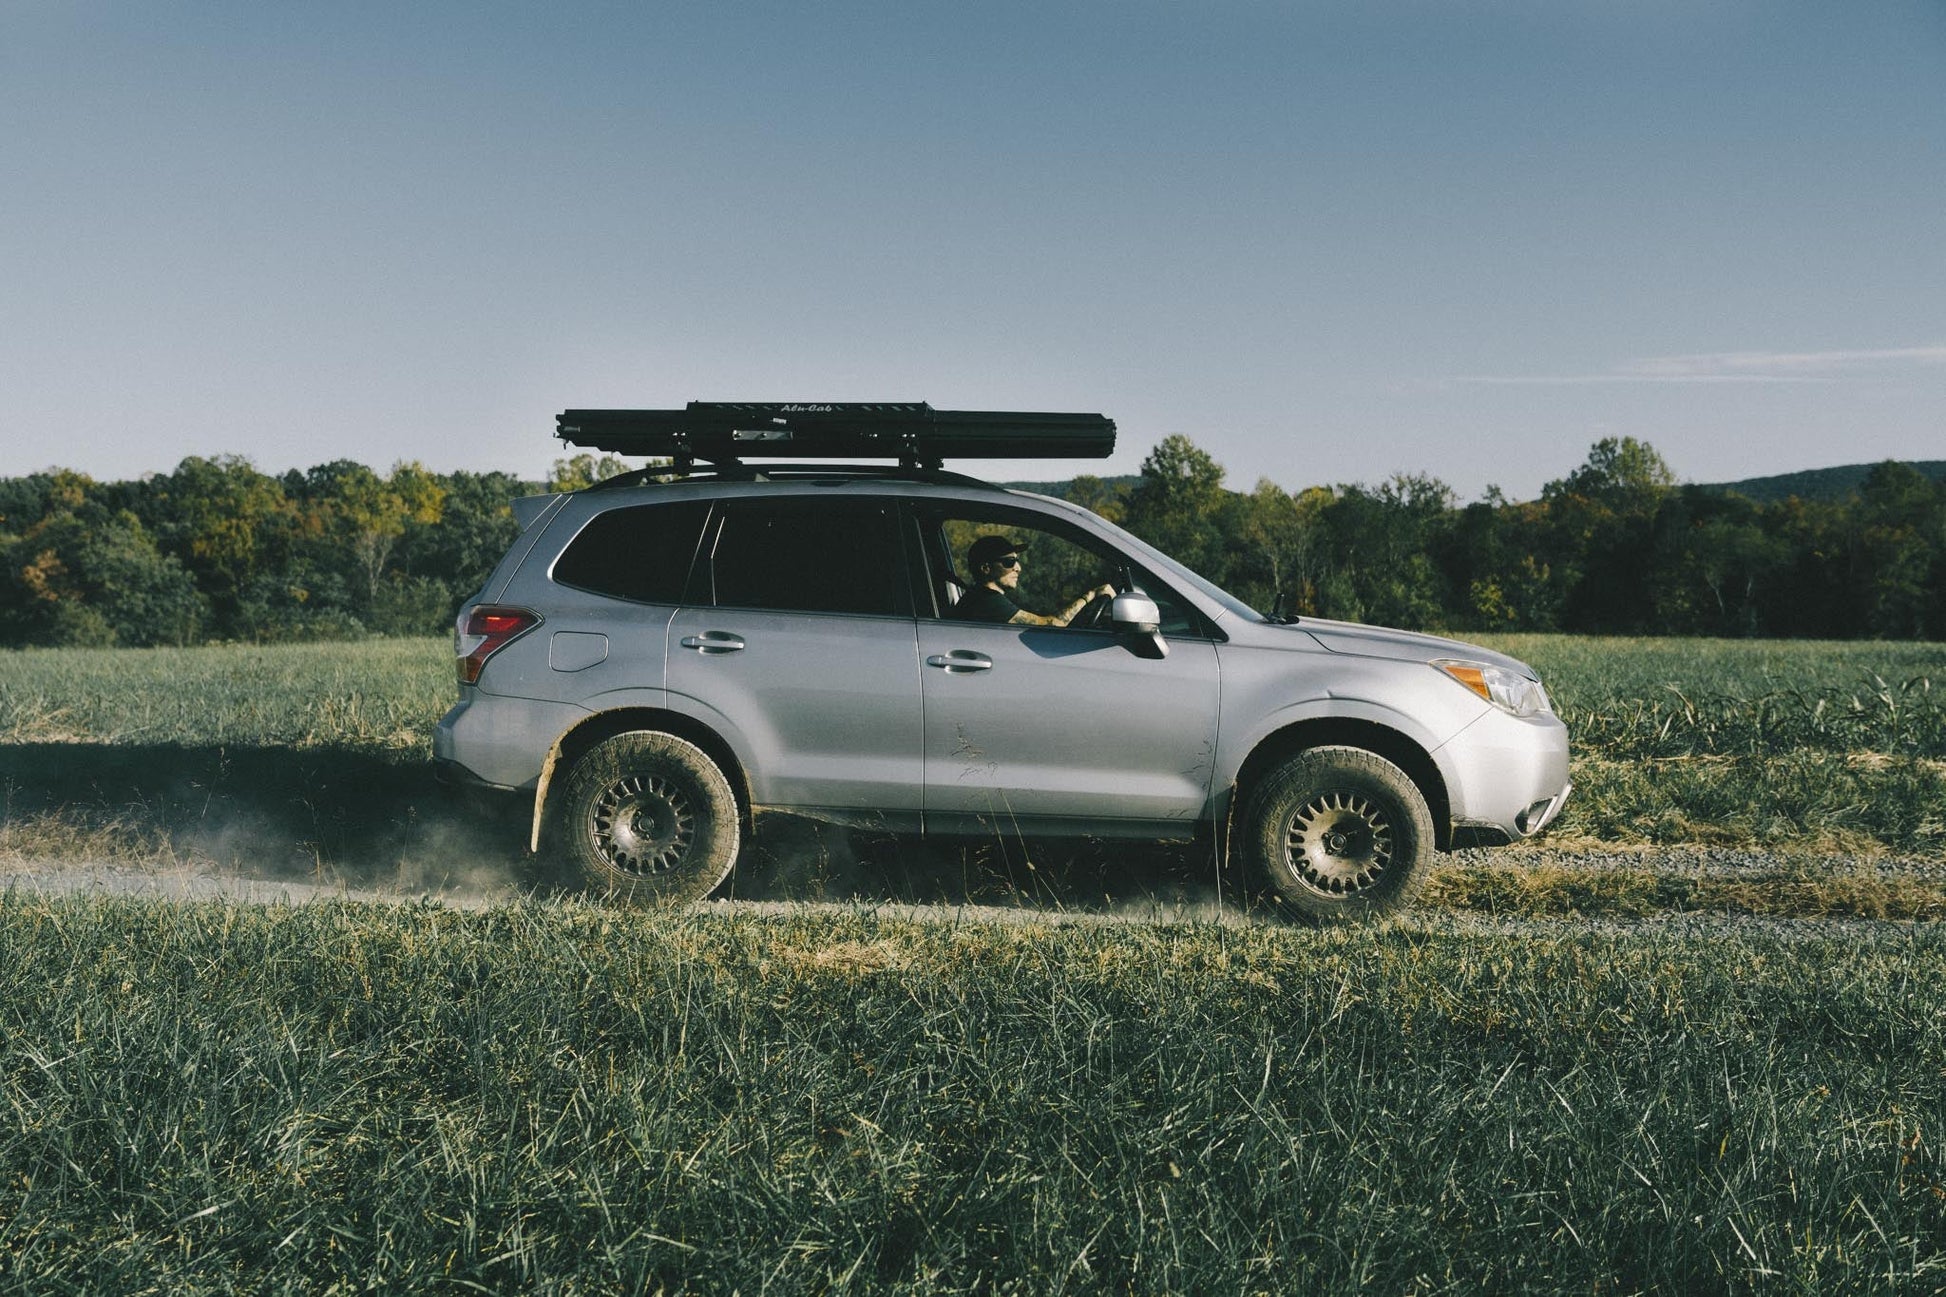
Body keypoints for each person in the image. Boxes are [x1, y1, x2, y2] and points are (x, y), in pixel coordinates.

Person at [949, 534, 1115, 626]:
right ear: (986, 568)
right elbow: (1052, 625)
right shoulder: (987, 601)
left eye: (1017, 561)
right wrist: (1091, 595)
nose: (1018, 568)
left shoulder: (978, 597)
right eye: (1009, 562)